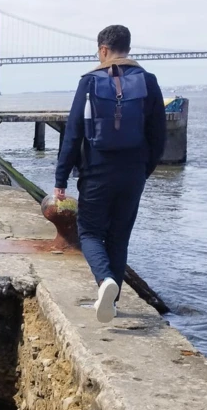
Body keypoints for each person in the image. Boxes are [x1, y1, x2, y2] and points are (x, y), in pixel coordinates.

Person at [54, 25, 166, 323]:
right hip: (132, 172)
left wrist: (60, 179)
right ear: (128, 48)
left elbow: (73, 133)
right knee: (119, 237)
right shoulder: (149, 81)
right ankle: (111, 304)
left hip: (96, 171)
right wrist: (144, 170)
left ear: (103, 50)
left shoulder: (89, 81)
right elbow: (158, 135)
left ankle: (105, 282)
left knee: (89, 232)